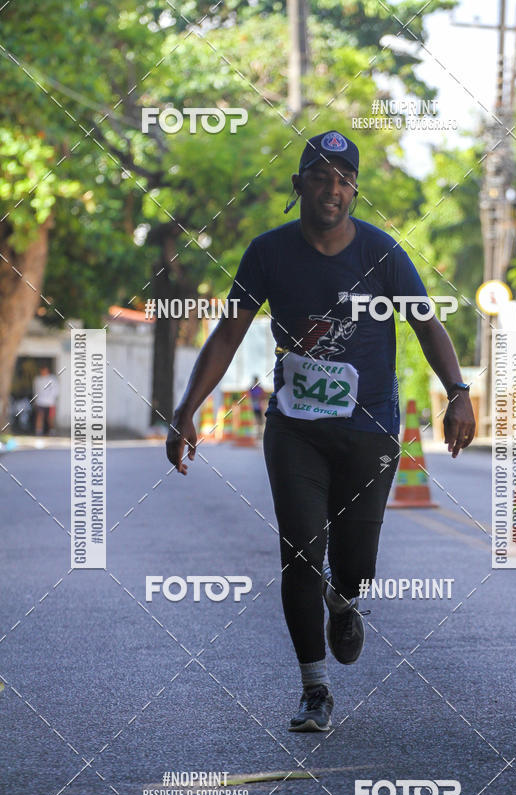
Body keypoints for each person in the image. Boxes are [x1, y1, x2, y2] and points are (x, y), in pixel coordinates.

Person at [166, 130, 475, 732]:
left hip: (370, 432)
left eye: (343, 179)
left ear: (353, 191)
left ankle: (346, 598)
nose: (331, 189)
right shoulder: (268, 253)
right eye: (320, 176)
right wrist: (187, 408)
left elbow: (427, 325)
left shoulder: (382, 253)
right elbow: (229, 333)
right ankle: (314, 688)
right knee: (301, 551)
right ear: (298, 185)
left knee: (356, 564)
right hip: (296, 429)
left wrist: (458, 392)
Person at [32, 364, 59, 436]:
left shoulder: (52, 379)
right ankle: (38, 431)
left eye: (45, 370)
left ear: (47, 371)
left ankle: (52, 431)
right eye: (42, 371)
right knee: (39, 416)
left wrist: (52, 399)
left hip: (50, 402)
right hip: (40, 402)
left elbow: (56, 390)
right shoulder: (37, 379)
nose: (43, 372)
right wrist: (35, 400)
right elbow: (36, 390)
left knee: (50, 418)